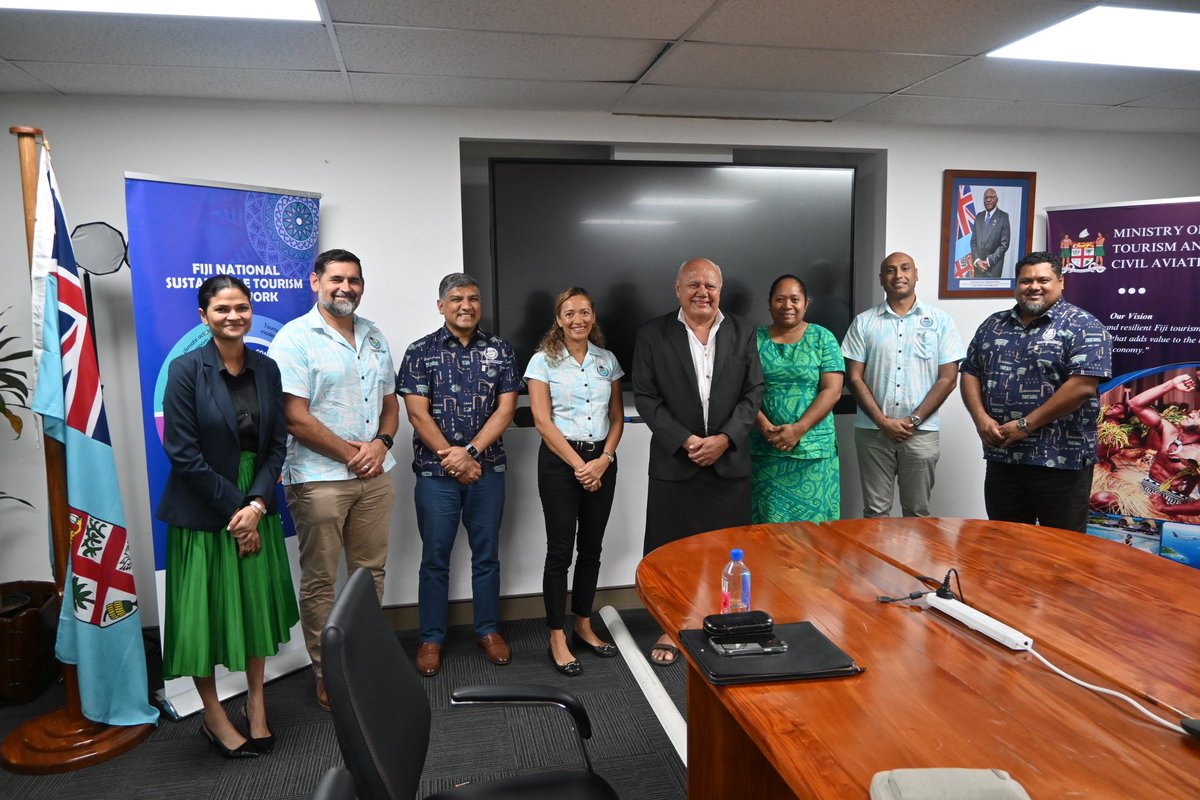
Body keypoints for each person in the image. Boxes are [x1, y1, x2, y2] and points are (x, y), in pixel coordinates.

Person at [158, 275, 299, 758]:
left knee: (254, 610)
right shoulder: (184, 370)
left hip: (256, 503)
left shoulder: (267, 369)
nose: (233, 316)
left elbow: (277, 443)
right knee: (205, 617)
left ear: (251, 310)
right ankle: (214, 715)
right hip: (204, 509)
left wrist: (257, 506)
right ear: (204, 316)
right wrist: (237, 510)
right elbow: (182, 452)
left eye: (241, 307)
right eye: (222, 309)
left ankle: (257, 705)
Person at [267, 249, 399, 711]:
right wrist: (352, 455)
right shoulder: (294, 339)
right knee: (321, 580)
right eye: (336, 279)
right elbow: (293, 417)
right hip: (318, 478)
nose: (346, 288)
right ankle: (330, 673)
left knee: (369, 576)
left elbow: (391, 403)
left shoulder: (374, 335)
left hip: (375, 474)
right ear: (315, 282)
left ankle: (364, 662)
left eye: (354, 280)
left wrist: (381, 444)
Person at [632, 257, 764, 665]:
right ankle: (673, 626)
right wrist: (687, 440)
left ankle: (723, 623)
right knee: (669, 552)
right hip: (676, 462)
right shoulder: (653, 334)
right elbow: (646, 397)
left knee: (728, 553)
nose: (702, 292)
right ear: (677, 289)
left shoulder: (742, 331)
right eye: (693, 285)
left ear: (719, 290)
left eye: (709, 285)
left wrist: (725, 439)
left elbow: (753, 393)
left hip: (729, 464)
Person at [398, 273, 519, 677]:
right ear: (441, 306)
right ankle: (431, 637)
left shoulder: (501, 350)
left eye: (472, 298)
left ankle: (488, 629)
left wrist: (469, 454)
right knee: (435, 559)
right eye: (455, 299)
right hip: (436, 474)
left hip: (488, 469)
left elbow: (505, 411)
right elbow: (417, 412)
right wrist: (452, 458)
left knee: (487, 556)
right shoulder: (420, 351)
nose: (465, 305)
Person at [960, 251, 1112, 532]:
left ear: (1061, 282)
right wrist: (980, 418)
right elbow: (970, 371)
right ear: (1016, 284)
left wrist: (1024, 426)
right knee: (1004, 542)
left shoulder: (1084, 326)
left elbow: (1081, 387)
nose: (1034, 286)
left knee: (1061, 550)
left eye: (1043, 279)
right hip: (1003, 456)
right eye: (1025, 280)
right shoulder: (994, 325)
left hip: (1060, 461)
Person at [525, 288, 624, 676]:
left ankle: (583, 623)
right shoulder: (541, 361)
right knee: (560, 551)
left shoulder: (607, 361)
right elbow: (542, 422)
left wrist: (602, 459)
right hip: (559, 464)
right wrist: (579, 465)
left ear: (593, 316)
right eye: (569, 313)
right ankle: (556, 634)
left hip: (602, 460)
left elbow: (617, 418)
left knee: (593, 549)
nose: (577, 319)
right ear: (559, 319)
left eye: (584, 312)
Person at [842, 252, 965, 517]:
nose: (898, 275)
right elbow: (853, 377)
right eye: (890, 270)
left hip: (921, 433)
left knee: (917, 512)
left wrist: (915, 420)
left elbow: (948, 378)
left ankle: (912, 561)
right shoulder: (864, 323)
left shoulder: (940, 321)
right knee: (875, 512)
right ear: (881, 279)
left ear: (916, 274)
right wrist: (883, 422)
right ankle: (876, 561)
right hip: (873, 433)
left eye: (905, 268)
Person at [751, 274, 845, 523]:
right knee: (767, 530)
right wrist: (763, 425)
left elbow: (832, 391)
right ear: (769, 302)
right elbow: (741, 389)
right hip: (766, 450)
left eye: (794, 299)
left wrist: (798, 429)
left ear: (806, 302)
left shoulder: (823, 338)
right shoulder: (752, 340)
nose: (787, 305)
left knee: (815, 534)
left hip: (813, 452)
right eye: (780, 299)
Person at [1127, 373, 1200, 517]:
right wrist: (1172, 384)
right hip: (1143, 491)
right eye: (1197, 411)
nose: (1193, 413)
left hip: (1171, 503)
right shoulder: (1170, 431)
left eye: (1199, 415)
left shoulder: (1198, 455)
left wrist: (1165, 508)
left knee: (1103, 499)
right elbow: (1135, 404)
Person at [970, 188, 1011, 278]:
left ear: (997, 199)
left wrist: (988, 261)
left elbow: (1004, 244)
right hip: (978, 268)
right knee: (976, 292)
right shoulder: (979, 216)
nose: (988, 200)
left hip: (993, 268)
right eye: (986, 198)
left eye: (991, 197)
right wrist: (977, 261)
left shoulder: (1003, 217)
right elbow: (973, 242)